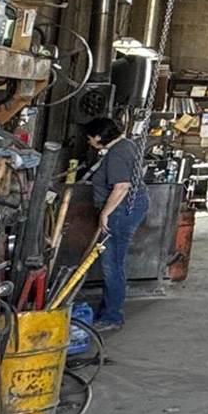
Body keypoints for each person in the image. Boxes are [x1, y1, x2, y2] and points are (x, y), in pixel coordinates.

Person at [78, 115, 147, 332]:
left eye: (90, 137)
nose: (89, 141)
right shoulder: (126, 145)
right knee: (113, 261)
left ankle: (112, 316)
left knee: (112, 264)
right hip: (130, 206)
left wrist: (105, 213)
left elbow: (122, 186)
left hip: (121, 210)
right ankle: (109, 308)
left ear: (99, 137)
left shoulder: (117, 153)